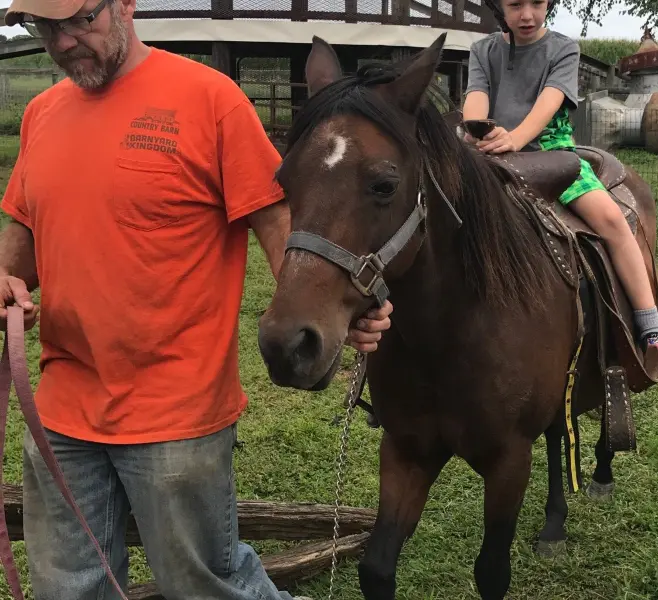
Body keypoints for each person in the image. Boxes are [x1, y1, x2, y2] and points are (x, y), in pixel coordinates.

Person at [0, 0, 393, 598]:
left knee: (206, 586)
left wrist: (334, 310)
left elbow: (277, 222)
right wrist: (5, 278)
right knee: (67, 588)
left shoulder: (209, 100)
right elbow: (25, 229)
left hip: (174, 413)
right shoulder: (41, 113)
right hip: (62, 407)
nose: (63, 40)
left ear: (125, 5)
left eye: (81, 19)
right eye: (45, 27)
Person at [461, 0, 658, 380]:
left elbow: (549, 103)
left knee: (612, 219)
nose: (527, 15)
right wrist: (479, 128)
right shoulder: (483, 50)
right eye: (515, 5)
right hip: (491, 153)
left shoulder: (563, 48)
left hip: (550, 153)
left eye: (537, 3)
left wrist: (514, 138)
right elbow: (476, 98)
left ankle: (651, 328)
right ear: (499, 6)